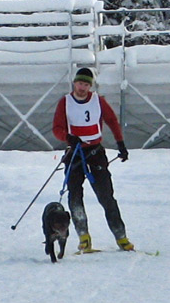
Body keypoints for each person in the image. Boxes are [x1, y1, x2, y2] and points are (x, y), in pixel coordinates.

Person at [51, 67, 133, 252]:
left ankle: (121, 237)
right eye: (80, 83)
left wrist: (121, 144)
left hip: (95, 152)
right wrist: (68, 137)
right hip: (74, 153)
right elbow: (56, 128)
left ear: (90, 86)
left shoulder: (98, 101)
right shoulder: (65, 102)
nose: (82, 88)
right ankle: (84, 238)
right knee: (75, 195)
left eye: (86, 84)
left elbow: (112, 121)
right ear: (74, 83)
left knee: (106, 196)